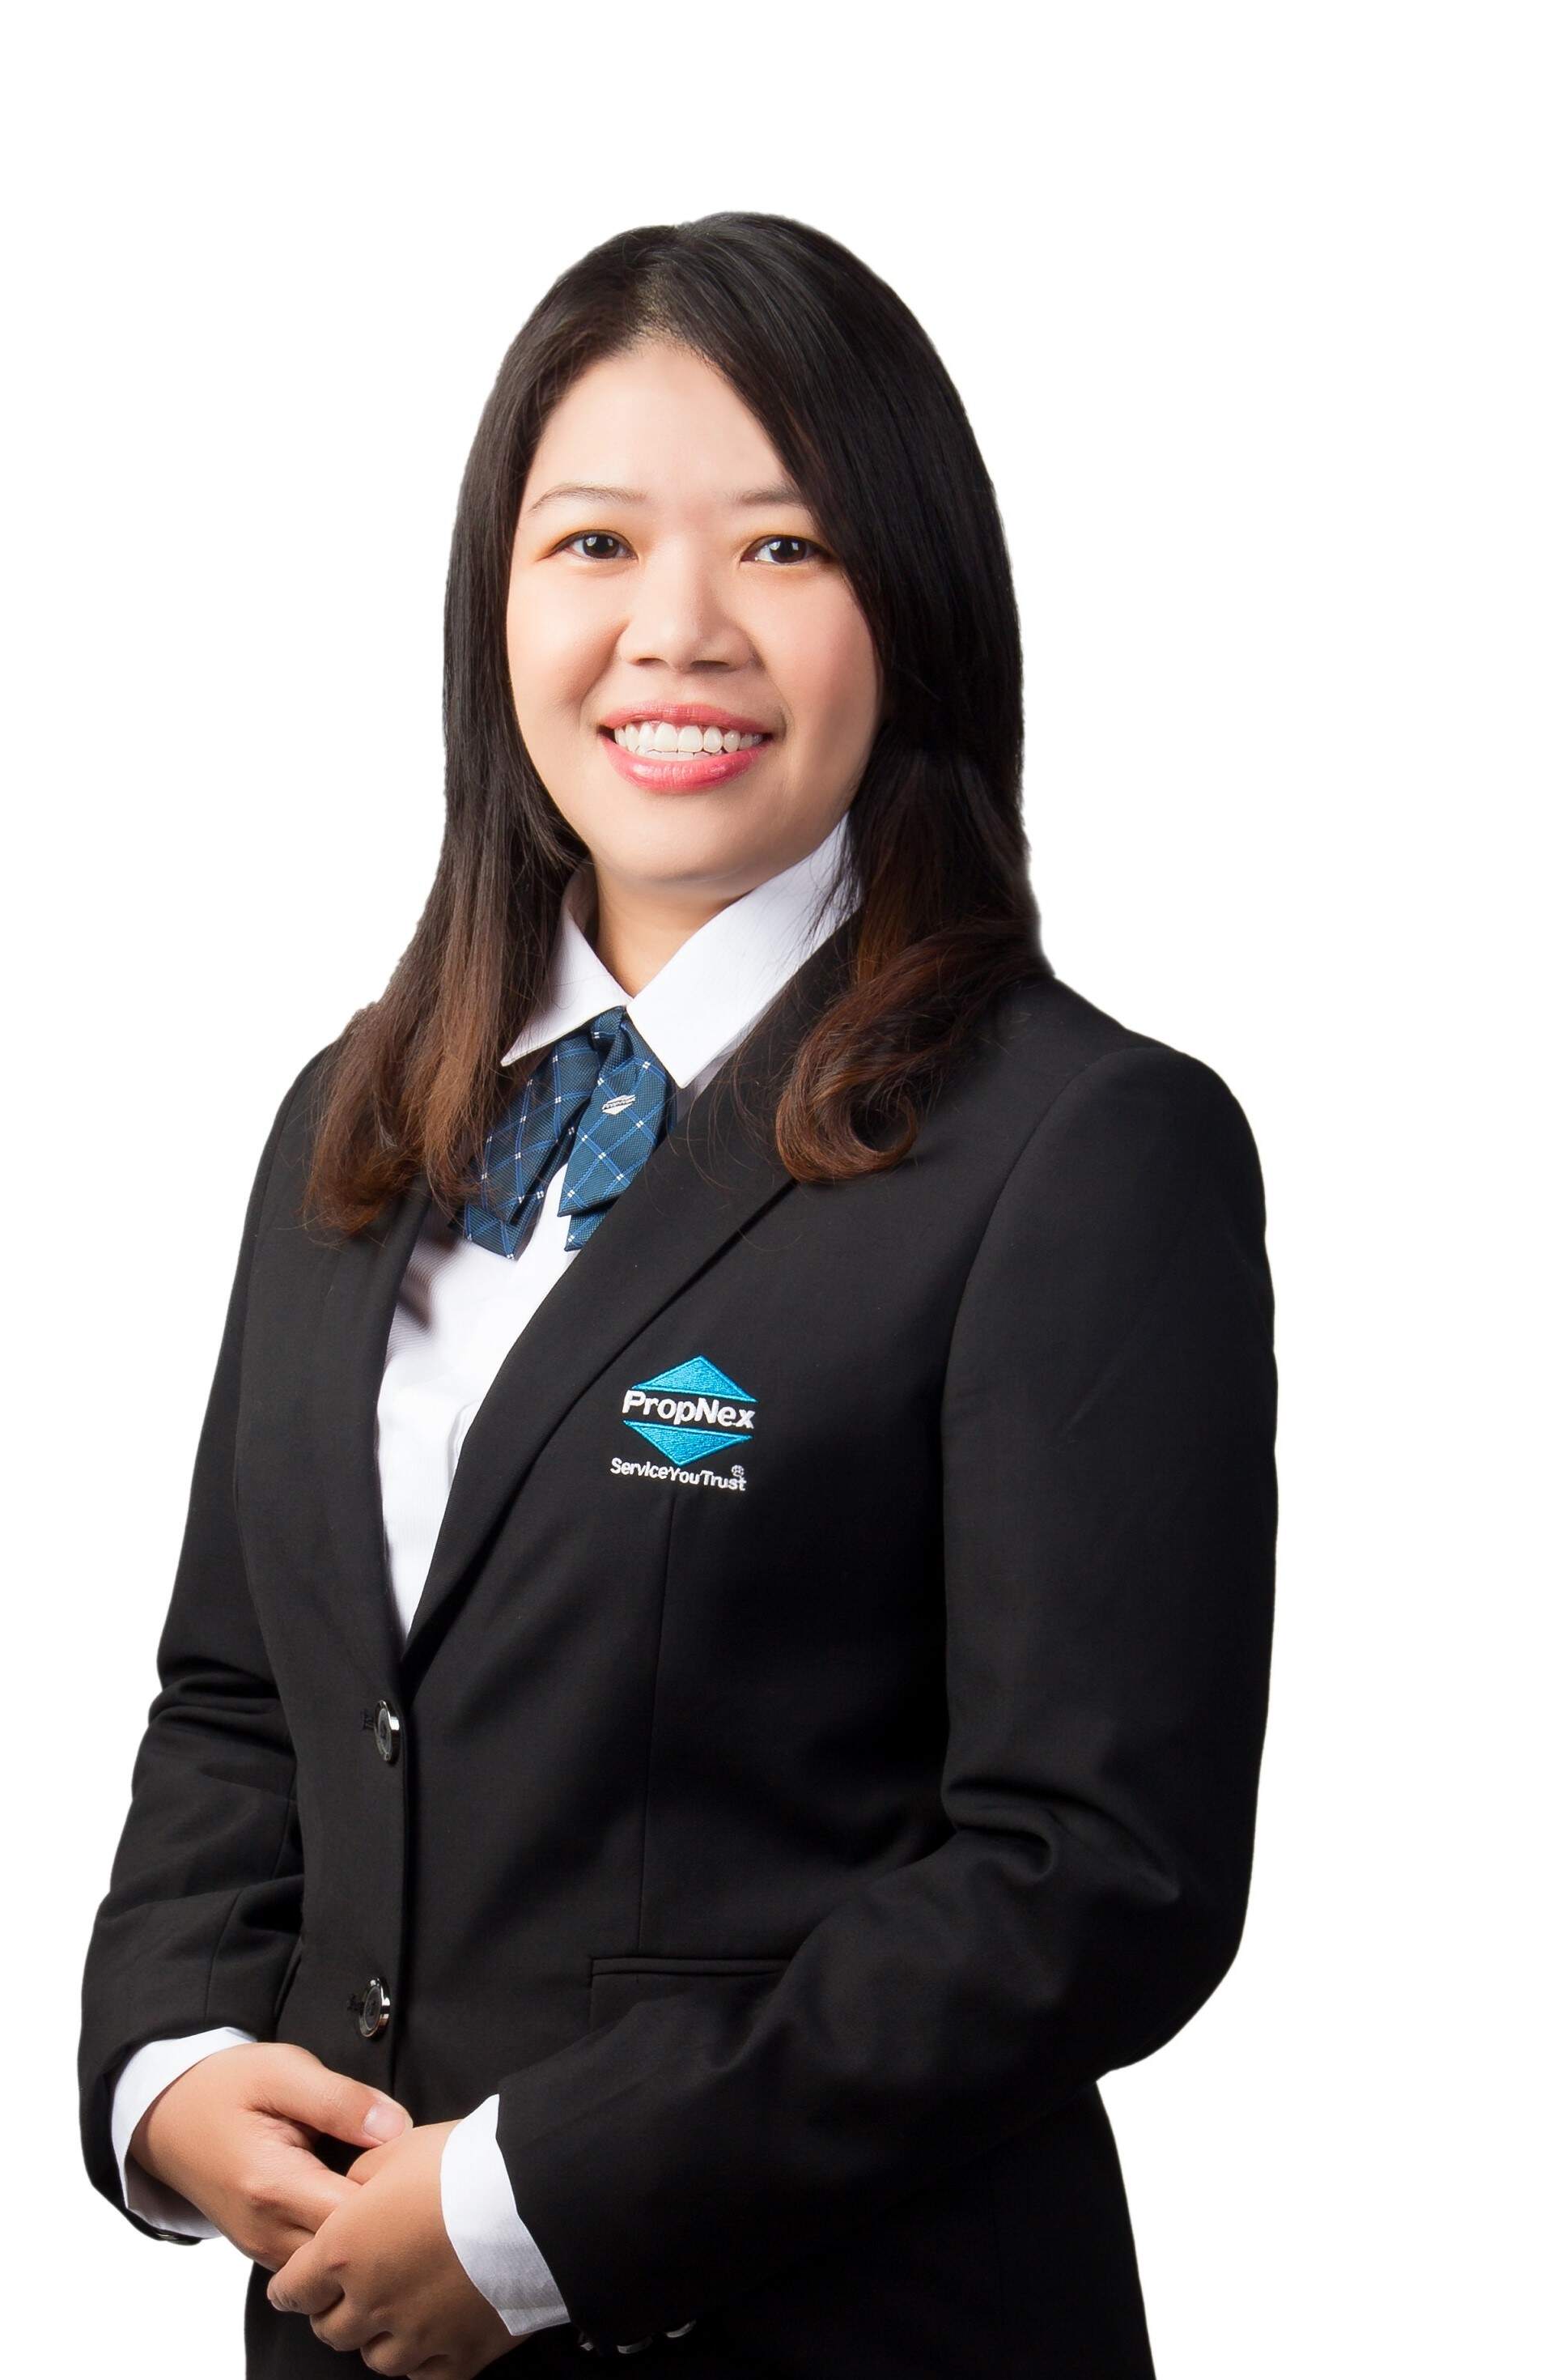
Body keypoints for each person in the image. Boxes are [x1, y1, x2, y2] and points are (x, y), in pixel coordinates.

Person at [78, 211, 1277, 2380]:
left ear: (912, 607)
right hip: (342, 2335)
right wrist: (169, 2061)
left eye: (784, 547)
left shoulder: (1085, 1147)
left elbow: (1091, 1872)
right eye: (595, 544)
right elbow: (246, 1698)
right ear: (498, 606)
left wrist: (537, 2206)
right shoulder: (352, 1118)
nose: (677, 631)